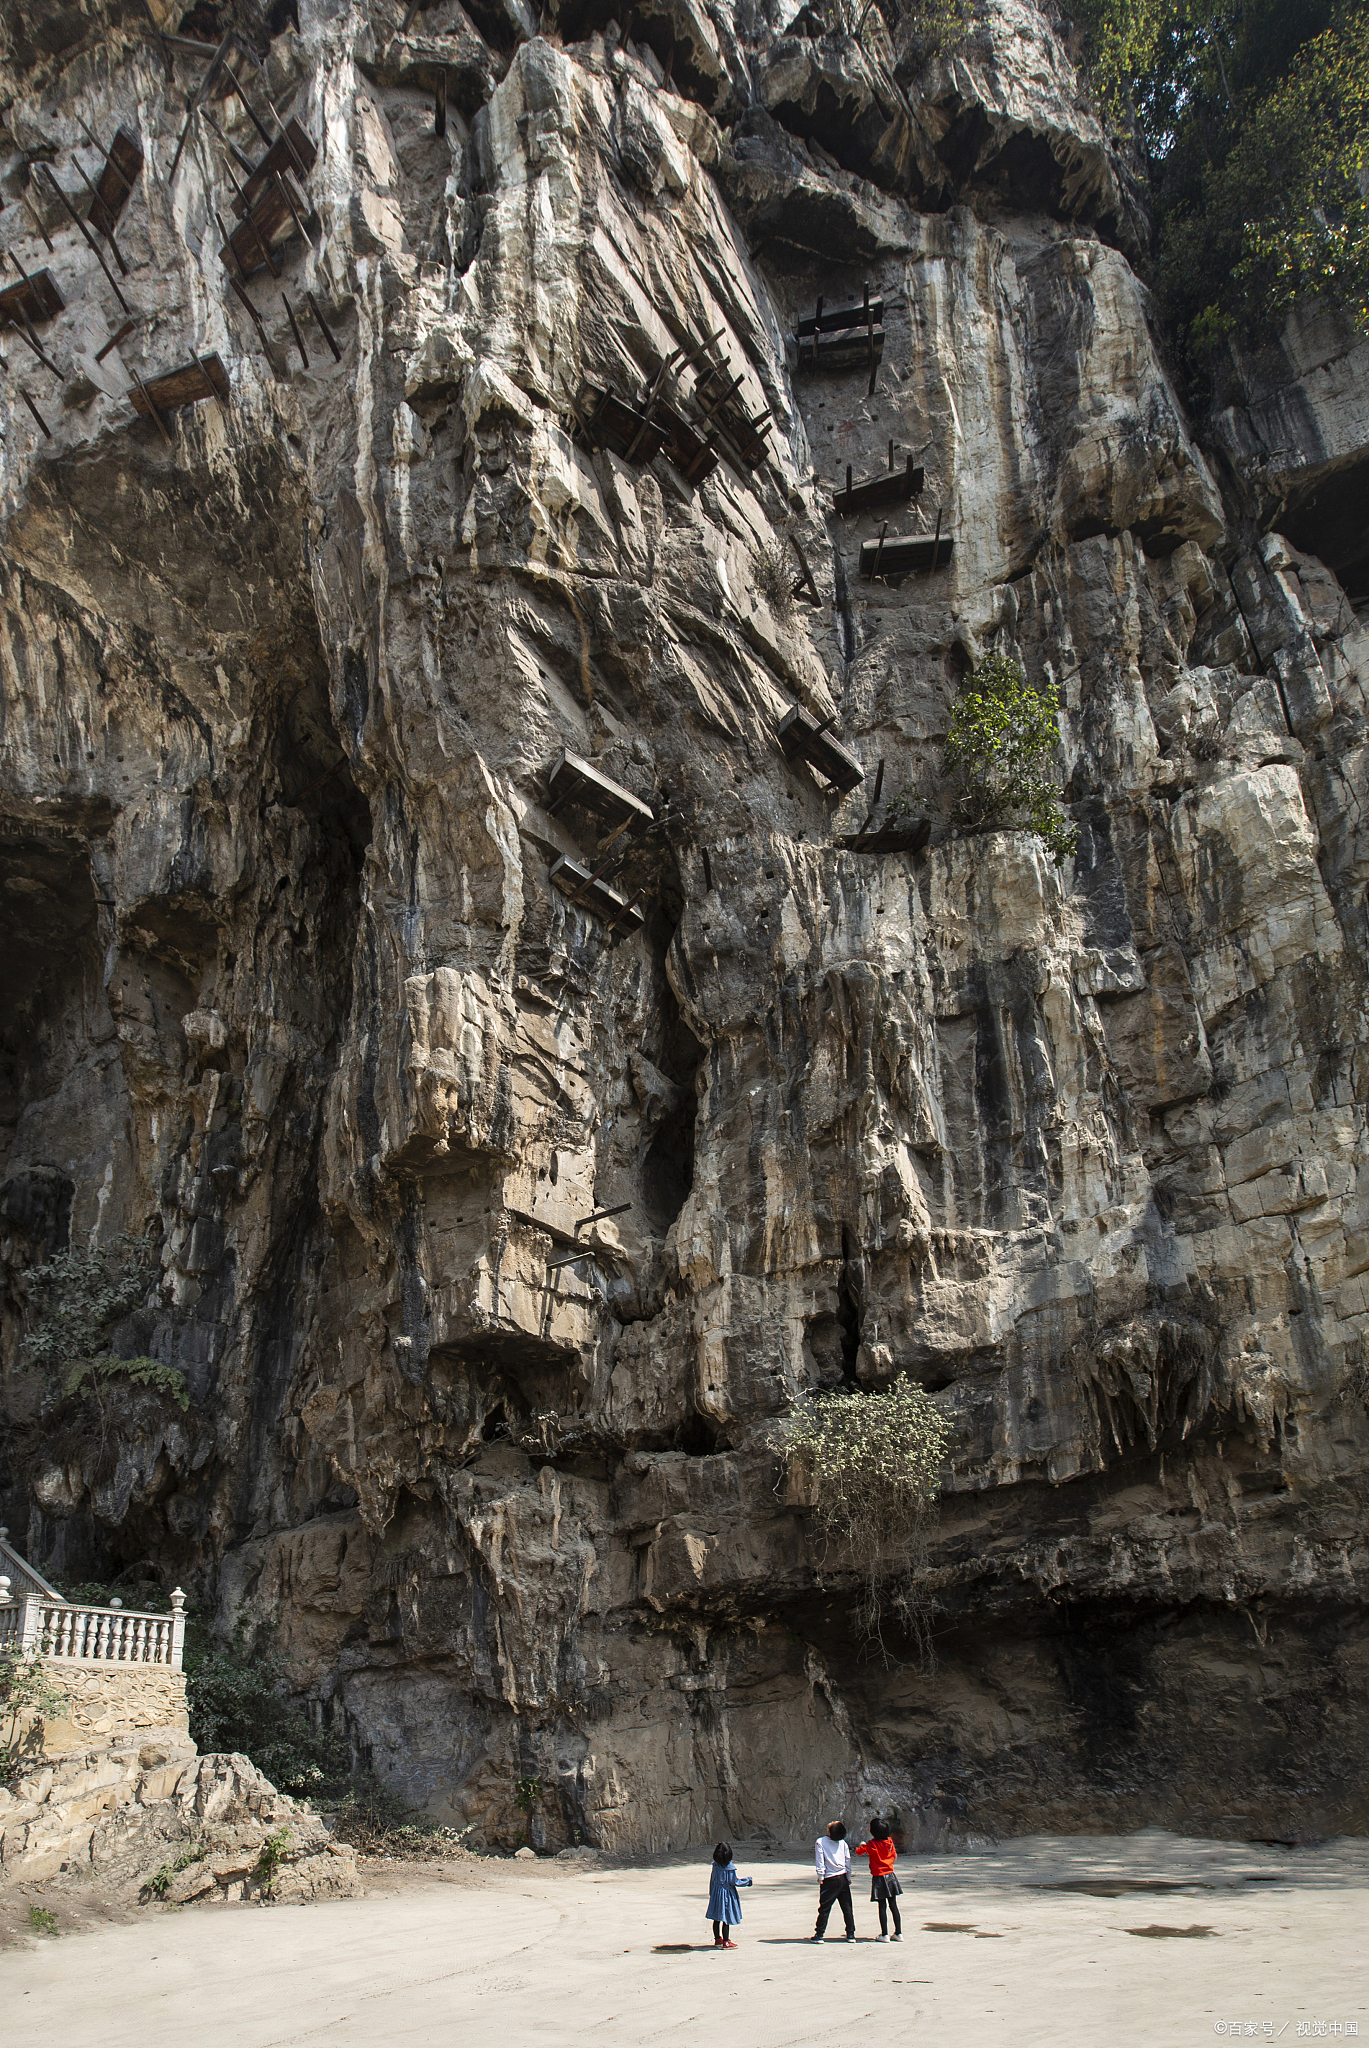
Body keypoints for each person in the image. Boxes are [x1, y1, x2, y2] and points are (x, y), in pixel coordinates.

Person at [855, 1817, 903, 1941]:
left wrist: (862, 1845)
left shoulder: (873, 1845)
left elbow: (859, 1852)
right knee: (893, 1905)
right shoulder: (890, 1843)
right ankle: (898, 1932)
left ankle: (885, 1934)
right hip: (891, 1876)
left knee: (882, 1906)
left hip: (879, 1878)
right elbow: (895, 1856)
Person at [810, 1819, 855, 1941]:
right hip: (843, 1878)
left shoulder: (820, 1842)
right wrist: (848, 1877)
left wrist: (821, 1877)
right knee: (847, 1907)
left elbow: (820, 1861)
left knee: (824, 1907)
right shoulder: (843, 1843)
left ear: (829, 1832)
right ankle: (850, 1933)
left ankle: (819, 1934)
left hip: (830, 1879)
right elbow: (847, 1860)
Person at [706, 1841, 752, 1947]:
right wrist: (747, 1881)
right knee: (726, 1918)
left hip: (716, 1894)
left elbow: (712, 1880)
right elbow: (734, 1882)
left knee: (716, 1918)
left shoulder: (715, 1866)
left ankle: (718, 1939)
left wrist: (712, 1894)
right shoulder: (730, 1868)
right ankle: (726, 1942)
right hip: (726, 1895)